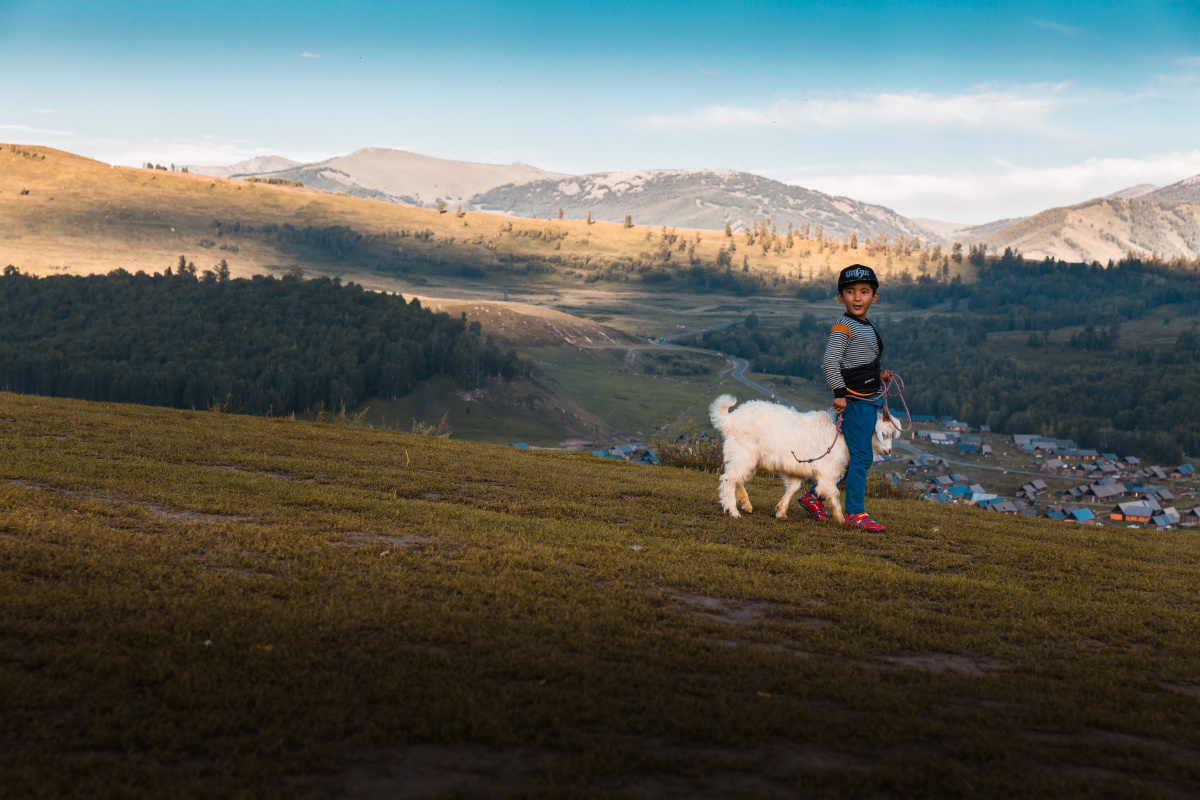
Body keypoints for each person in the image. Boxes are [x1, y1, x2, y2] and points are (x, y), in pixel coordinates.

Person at [796, 264, 891, 531]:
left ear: (875, 297)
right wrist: (839, 393)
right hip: (855, 403)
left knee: (851, 457)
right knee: (862, 458)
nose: (857, 297)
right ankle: (856, 513)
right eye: (850, 292)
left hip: (868, 400)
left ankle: (813, 496)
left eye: (864, 291)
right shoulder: (842, 327)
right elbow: (830, 363)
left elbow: (860, 360)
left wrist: (879, 374)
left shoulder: (865, 325)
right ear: (841, 297)